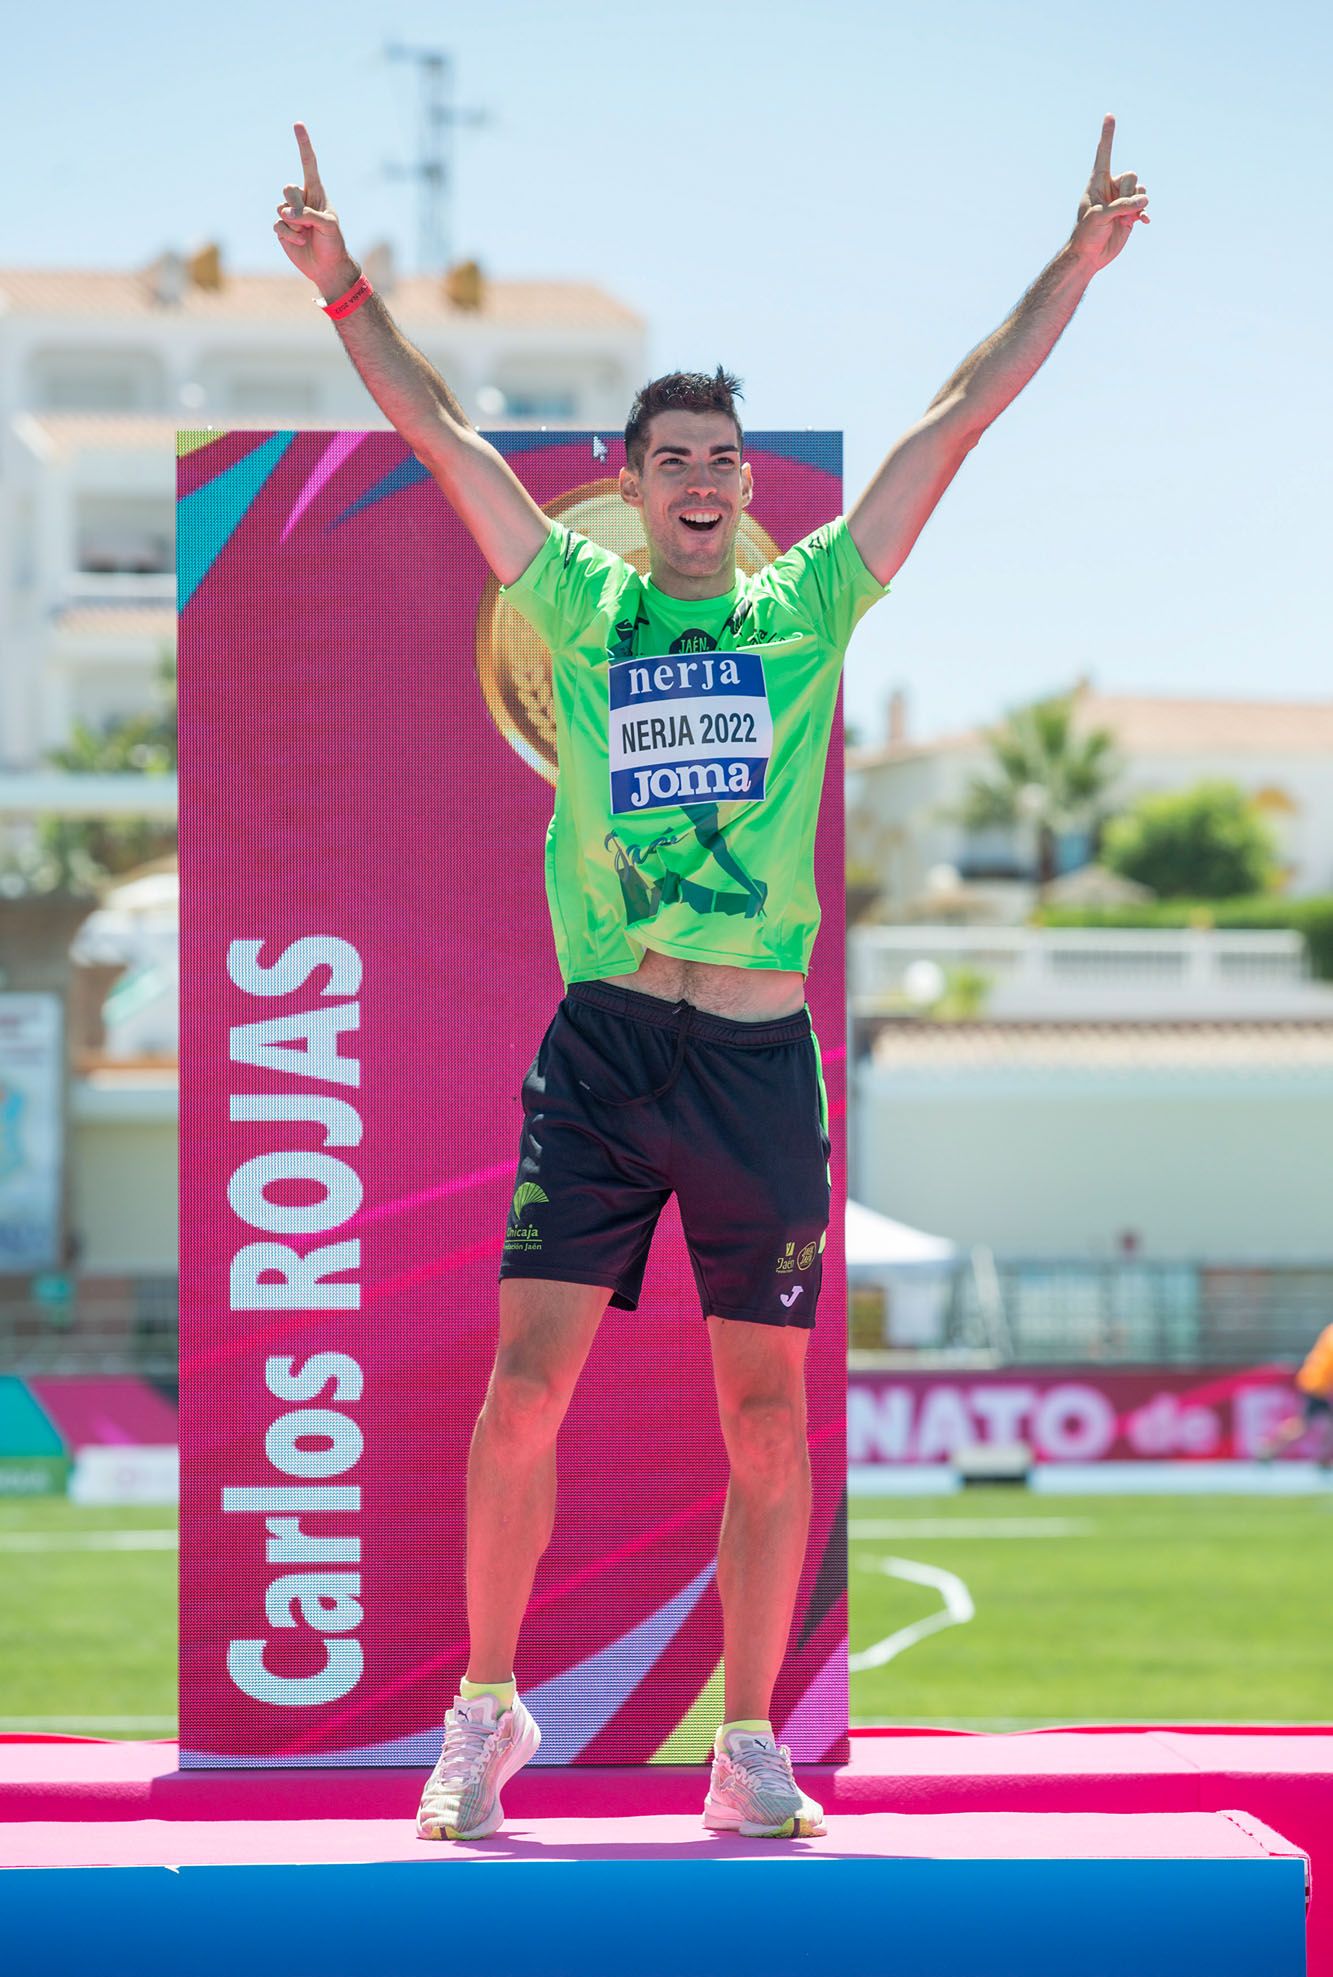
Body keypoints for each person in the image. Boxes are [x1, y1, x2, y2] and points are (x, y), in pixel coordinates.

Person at [273, 115, 1150, 1841]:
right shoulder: (578, 598)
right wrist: (341, 287)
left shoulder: (810, 604)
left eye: (721, 461)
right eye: (673, 455)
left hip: (756, 1064)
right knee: (520, 1394)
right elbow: (432, 426)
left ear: (744, 488)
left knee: (763, 1428)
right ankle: (484, 1714)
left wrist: (1075, 265)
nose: (700, 480)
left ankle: (744, 1748)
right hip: (603, 1046)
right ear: (630, 474)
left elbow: (954, 415)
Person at [1257, 1321, 1333, 1467]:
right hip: (1317, 1384)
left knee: (1317, 1424)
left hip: (1315, 1382)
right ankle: (1269, 1449)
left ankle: (1323, 1459)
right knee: (1304, 1425)